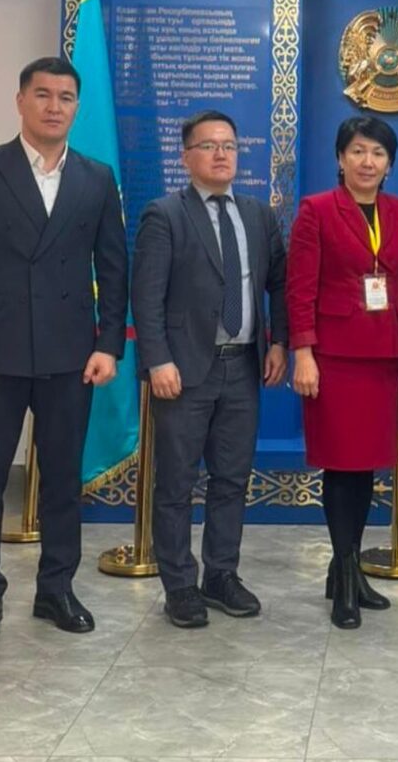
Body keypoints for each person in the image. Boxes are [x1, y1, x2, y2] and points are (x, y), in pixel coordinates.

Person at [0, 56, 128, 647]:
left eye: (65, 97)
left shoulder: (96, 178)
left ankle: (56, 588)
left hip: (71, 355)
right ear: (20, 101)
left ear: (76, 107)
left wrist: (109, 344)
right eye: (42, 95)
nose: (53, 107)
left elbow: (113, 269)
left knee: (63, 480)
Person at [132, 110, 288, 628]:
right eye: (209, 146)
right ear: (186, 157)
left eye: (229, 145)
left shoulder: (258, 215)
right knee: (176, 483)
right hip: (183, 370)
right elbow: (146, 296)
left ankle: (221, 575)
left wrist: (279, 342)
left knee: (231, 479)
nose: (222, 154)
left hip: (242, 367)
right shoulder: (165, 214)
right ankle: (179, 584)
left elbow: (279, 283)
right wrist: (158, 360)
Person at [287, 116, 398, 630]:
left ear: (390, 164)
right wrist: (303, 351)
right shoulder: (316, 210)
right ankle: (344, 576)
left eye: (378, 153)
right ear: (340, 158)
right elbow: (300, 287)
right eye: (358, 151)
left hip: (384, 355)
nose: (368, 162)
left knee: (364, 467)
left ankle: (350, 567)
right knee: (341, 466)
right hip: (333, 357)